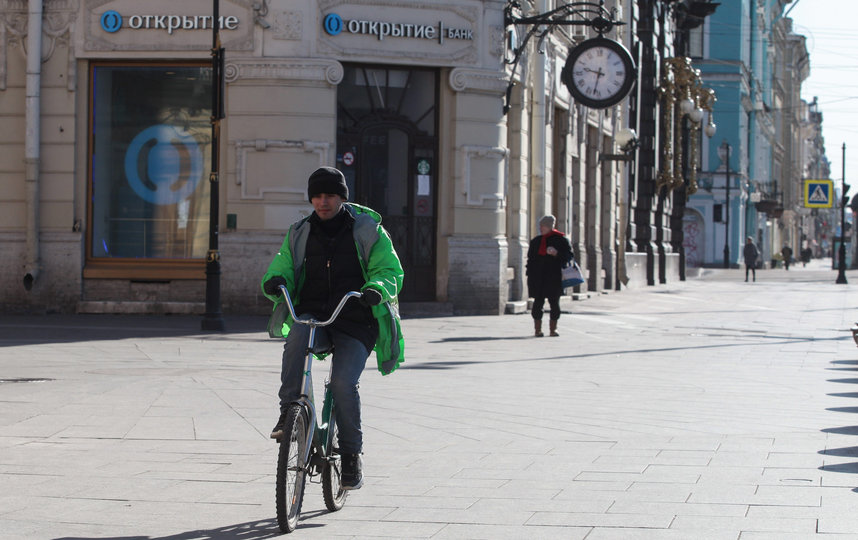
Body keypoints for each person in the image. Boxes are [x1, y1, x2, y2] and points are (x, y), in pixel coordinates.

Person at [261, 166, 405, 491]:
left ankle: (352, 455)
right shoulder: (300, 231)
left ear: (342, 197)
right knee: (297, 337)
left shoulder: (368, 230)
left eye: (330, 196)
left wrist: (376, 288)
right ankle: (288, 412)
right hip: (314, 314)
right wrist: (275, 279)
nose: (323, 202)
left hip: (356, 318)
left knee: (342, 384)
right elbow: (283, 261)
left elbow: (389, 268)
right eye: (317, 196)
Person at [526, 215, 573, 337]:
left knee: (554, 303)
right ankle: (538, 329)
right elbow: (530, 260)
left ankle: (553, 329)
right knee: (538, 303)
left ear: (550, 226)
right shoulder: (536, 241)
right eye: (540, 226)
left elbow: (569, 256)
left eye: (544, 226)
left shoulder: (561, 240)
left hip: (554, 277)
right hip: (538, 277)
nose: (541, 228)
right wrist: (529, 275)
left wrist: (556, 253)